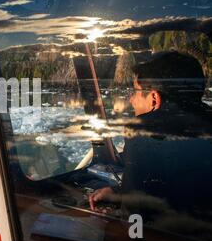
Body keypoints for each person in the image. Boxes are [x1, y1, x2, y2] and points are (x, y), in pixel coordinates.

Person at [89, 51, 212, 222]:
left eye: (136, 91)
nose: (131, 99)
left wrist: (115, 220)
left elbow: (137, 225)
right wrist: (119, 193)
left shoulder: (143, 134)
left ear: (154, 99)